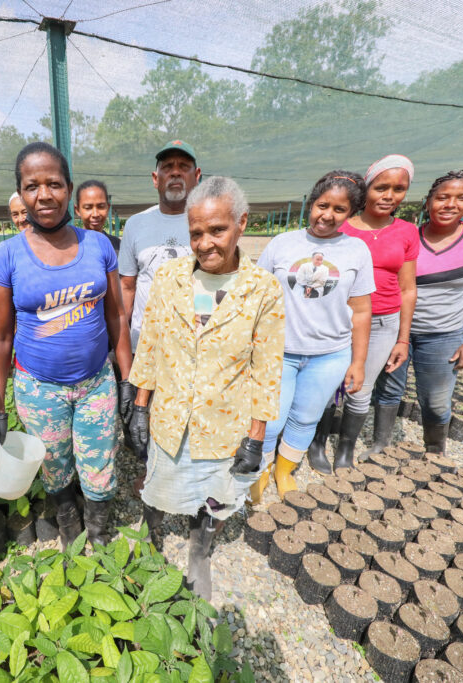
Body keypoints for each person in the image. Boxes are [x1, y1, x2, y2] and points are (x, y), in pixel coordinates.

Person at [127, 176, 284, 601]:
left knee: (213, 495)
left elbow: (267, 369)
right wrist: (140, 405)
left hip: (224, 421)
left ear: (241, 224)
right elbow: (152, 344)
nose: (205, 243)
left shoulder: (263, 290)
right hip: (171, 414)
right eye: (196, 232)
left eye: (217, 230)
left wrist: (256, 439)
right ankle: (151, 530)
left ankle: (199, 552)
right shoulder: (170, 277)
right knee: (158, 482)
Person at [0, 142, 135, 549]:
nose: (44, 194)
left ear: (68, 188)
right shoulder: (7, 257)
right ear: (21, 192)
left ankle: (100, 538)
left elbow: (116, 316)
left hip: (95, 383)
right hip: (40, 388)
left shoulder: (98, 246)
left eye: (54, 183)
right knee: (55, 467)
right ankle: (71, 536)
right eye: (32, 186)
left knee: (100, 465)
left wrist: (127, 379)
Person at [255, 171, 375, 499]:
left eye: (339, 209)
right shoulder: (283, 244)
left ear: (350, 214)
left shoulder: (357, 250)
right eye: (323, 205)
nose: (328, 215)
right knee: (271, 418)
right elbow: (254, 295)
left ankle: (284, 470)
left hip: (330, 354)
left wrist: (359, 362)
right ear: (312, 203)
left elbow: (362, 311)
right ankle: (261, 470)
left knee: (306, 417)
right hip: (278, 351)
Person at [377, 171, 463, 455]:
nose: (449, 204)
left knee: (435, 399)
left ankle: (434, 451)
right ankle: (381, 444)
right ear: (429, 200)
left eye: (461, 198)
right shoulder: (407, 235)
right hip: (395, 329)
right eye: (442, 197)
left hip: (442, 333)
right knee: (387, 391)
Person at [323, 154, 419, 469]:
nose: (389, 195)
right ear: (368, 187)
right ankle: (315, 445)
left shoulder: (406, 231)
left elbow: (407, 289)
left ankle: (345, 451)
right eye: (381, 187)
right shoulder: (342, 225)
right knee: (326, 387)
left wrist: (403, 339)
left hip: (382, 323)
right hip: (339, 321)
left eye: (399, 188)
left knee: (359, 389)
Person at [119, 140, 201, 350]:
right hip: (146, 346)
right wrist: (120, 344)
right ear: (156, 179)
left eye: (184, 167)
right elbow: (127, 287)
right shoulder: (135, 224)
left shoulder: (208, 223)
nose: (175, 173)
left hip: (194, 346)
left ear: (197, 176)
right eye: (167, 167)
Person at [75, 179, 120, 253]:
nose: (95, 214)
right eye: (88, 208)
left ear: (108, 208)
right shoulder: (71, 245)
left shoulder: (117, 246)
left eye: (101, 206)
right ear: (77, 210)